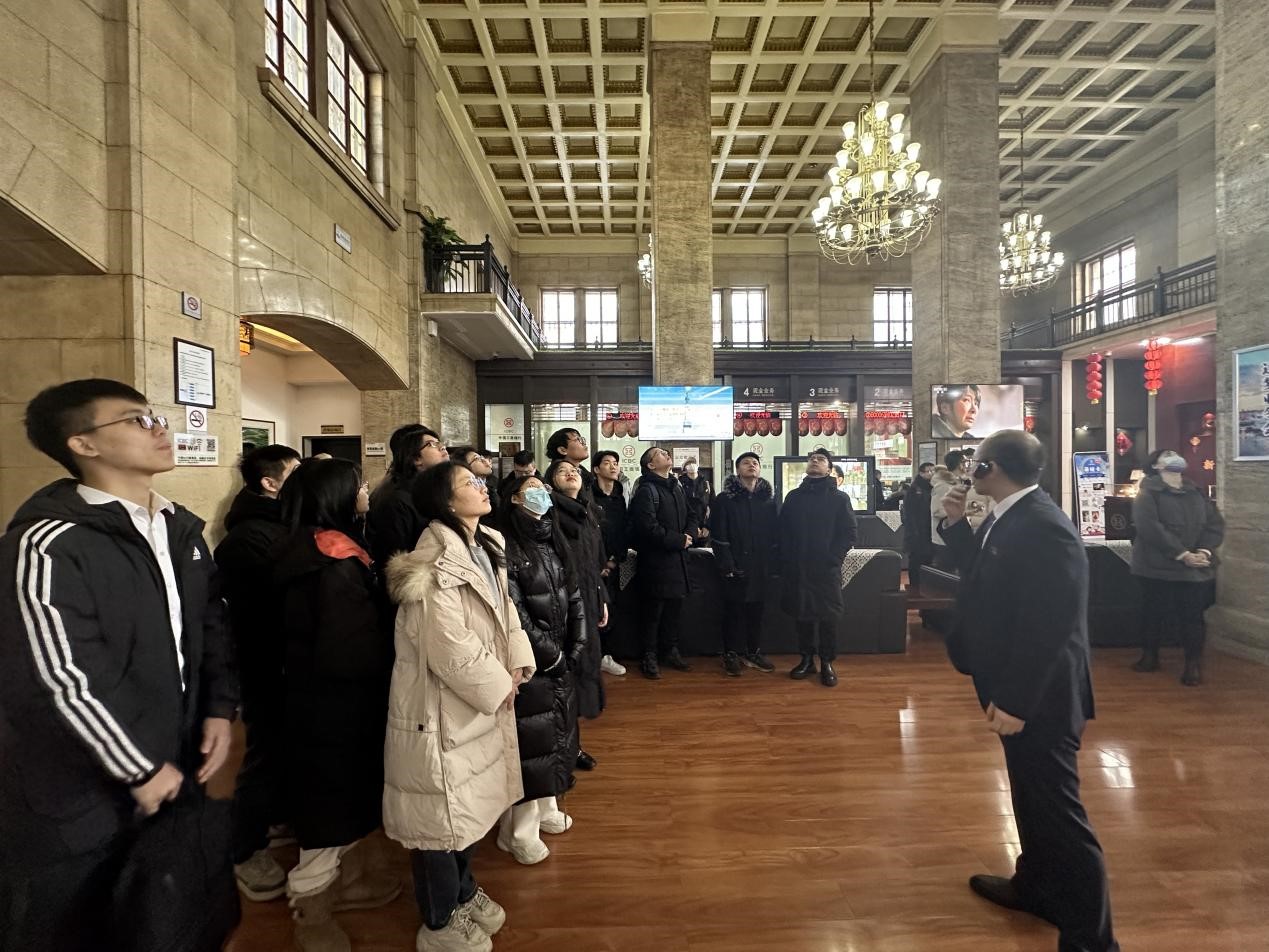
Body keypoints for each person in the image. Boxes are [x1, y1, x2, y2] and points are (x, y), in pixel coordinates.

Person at [0, 379, 238, 952]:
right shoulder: (48, 544)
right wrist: (138, 768)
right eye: (136, 420)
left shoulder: (178, 528)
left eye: (156, 417)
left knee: (169, 914)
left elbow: (209, 623)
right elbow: (57, 677)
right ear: (83, 444)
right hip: (82, 790)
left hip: (172, 760)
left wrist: (218, 707)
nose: (160, 429)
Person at [937, 430, 1119, 952]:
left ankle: (1092, 941)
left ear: (990, 469)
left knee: (1059, 814)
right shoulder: (1011, 515)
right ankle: (1036, 886)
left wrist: (1017, 699)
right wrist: (956, 526)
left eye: (975, 463)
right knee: (1030, 797)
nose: (969, 470)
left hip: (1041, 696)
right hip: (1015, 685)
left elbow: (1050, 624)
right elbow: (989, 578)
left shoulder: (1043, 527)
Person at [384, 461, 534, 952]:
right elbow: (447, 644)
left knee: (466, 807)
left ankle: (464, 890)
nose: (482, 486)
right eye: (469, 483)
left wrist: (516, 664)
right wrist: (498, 685)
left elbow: (506, 612)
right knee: (438, 816)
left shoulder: (486, 543)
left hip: (476, 699)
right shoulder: (432, 559)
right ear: (445, 502)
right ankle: (439, 921)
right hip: (439, 707)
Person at [273, 458, 399, 951]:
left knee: (340, 798)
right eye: (358, 484)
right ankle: (312, 909)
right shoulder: (330, 559)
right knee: (328, 805)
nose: (365, 489)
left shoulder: (316, 546)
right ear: (335, 496)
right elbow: (347, 646)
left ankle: (348, 884)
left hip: (321, 698)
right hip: (333, 705)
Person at [216, 443, 301, 902]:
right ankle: (245, 848)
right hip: (265, 660)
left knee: (285, 745)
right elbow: (259, 611)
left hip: (287, 659)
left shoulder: (283, 523)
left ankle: (278, 816)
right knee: (264, 752)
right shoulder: (247, 538)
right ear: (269, 483)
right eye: (293, 472)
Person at [496, 475, 585, 864]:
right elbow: (514, 612)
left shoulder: (553, 539)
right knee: (530, 746)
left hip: (559, 657)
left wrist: (578, 642)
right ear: (514, 500)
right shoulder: (506, 546)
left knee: (557, 737)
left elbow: (574, 593)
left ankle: (548, 807)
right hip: (532, 662)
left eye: (543, 489)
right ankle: (517, 831)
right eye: (531, 490)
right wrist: (551, 655)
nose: (542, 495)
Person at [1130, 449, 1225, 685]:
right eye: (1166, 455)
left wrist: (1204, 551)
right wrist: (1182, 554)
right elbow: (1150, 528)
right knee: (1152, 613)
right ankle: (1149, 656)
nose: (1174, 456)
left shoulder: (1195, 492)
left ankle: (1193, 665)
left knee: (1192, 616)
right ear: (1156, 466)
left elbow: (1214, 524)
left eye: (1175, 453)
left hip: (1194, 566)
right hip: (1156, 566)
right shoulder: (1148, 492)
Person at [544, 458, 607, 770]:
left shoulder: (587, 511)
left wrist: (602, 598)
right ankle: (564, 747)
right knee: (564, 676)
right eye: (561, 470)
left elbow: (594, 563)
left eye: (575, 470)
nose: (571, 473)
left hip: (588, 599)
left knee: (584, 672)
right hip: (562, 603)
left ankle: (574, 743)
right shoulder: (548, 511)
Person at [779, 447, 857, 687]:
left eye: (821, 459)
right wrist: (787, 558)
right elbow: (783, 531)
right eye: (812, 458)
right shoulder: (794, 497)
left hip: (826, 568)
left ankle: (827, 662)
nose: (815, 461)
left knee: (828, 616)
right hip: (798, 567)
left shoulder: (839, 498)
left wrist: (834, 558)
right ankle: (806, 659)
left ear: (829, 469)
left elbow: (849, 532)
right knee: (801, 614)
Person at [628, 446, 698, 680]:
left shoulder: (676, 486)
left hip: (679, 562)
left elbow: (692, 515)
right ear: (650, 465)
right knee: (653, 613)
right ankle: (649, 656)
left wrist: (689, 535)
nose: (667, 454)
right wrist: (679, 540)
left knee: (674, 611)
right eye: (659, 453)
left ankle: (670, 651)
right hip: (656, 563)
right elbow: (647, 527)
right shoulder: (646, 490)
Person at [710, 452, 778, 677]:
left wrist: (773, 563)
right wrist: (727, 564)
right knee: (733, 610)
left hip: (760, 566)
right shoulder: (725, 499)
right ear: (737, 470)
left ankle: (752, 652)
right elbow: (718, 534)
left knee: (756, 611)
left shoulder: (768, 501)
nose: (751, 465)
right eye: (746, 463)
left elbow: (775, 535)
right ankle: (730, 653)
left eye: (755, 463)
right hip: (735, 565)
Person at [366, 425, 447, 568]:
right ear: (415, 458)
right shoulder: (396, 499)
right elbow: (394, 561)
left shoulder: (428, 491)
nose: (442, 447)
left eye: (439, 442)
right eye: (431, 444)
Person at [591, 450, 629, 676]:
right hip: (592, 563)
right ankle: (592, 656)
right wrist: (599, 562)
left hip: (613, 563)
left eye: (616, 463)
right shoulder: (588, 496)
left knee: (611, 608)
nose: (613, 466)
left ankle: (606, 655)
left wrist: (614, 559)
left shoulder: (619, 497)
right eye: (607, 463)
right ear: (596, 469)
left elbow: (623, 530)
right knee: (592, 609)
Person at [930, 450, 993, 572]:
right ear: (960, 464)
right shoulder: (943, 485)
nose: (969, 466)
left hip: (959, 534)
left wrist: (969, 509)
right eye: (967, 462)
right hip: (943, 539)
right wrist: (960, 514)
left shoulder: (959, 482)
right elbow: (937, 511)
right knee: (947, 573)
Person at [902, 462, 936, 592]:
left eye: (933, 471)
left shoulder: (932, 488)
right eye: (929, 471)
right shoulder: (915, 489)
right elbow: (909, 512)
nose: (932, 474)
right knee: (916, 560)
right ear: (921, 473)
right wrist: (914, 531)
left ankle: (925, 587)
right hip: (916, 531)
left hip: (928, 530)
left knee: (927, 560)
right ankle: (914, 588)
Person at [450, 446, 501, 527]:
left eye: (481, 457)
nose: (485, 460)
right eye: (477, 458)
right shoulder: (466, 492)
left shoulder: (494, 483)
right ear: (465, 467)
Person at [545, 427, 593, 494]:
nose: (583, 443)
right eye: (577, 439)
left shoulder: (585, 475)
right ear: (562, 450)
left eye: (581, 439)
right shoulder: (558, 476)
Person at [678, 457, 712, 543]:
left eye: (693, 463)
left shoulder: (706, 484)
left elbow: (714, 507)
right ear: (685, 468)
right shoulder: (679, 485)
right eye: (688, 464)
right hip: (686, 530)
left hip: (704, 530)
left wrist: (707, 526)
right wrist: (692, 528)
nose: (691, 465)